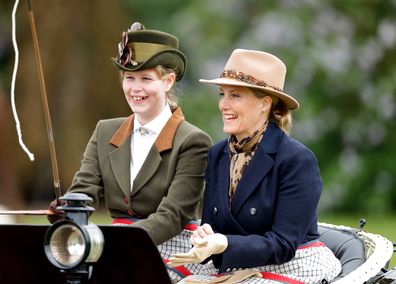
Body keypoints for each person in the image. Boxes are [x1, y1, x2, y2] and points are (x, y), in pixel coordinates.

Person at [48, 22, 212, 282]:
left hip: (168, 250)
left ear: (168, 81)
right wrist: (68, 207)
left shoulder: (193, 141)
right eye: (129, 78)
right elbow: (84, 190)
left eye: (146, 79)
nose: (135, 88)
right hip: (110, 246)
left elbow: (172, 216)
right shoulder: (105, 131)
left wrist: (112, 242)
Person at [168, 49, 342, 283]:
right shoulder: (217, 154)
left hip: (291, 264)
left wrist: (224, 243)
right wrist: (205, 237)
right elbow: (212, 223)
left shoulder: (297, 160)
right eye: (222, 94)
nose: (223, 105)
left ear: (265, 104)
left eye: (235, 95)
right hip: (231, 263)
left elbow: (283, 245)